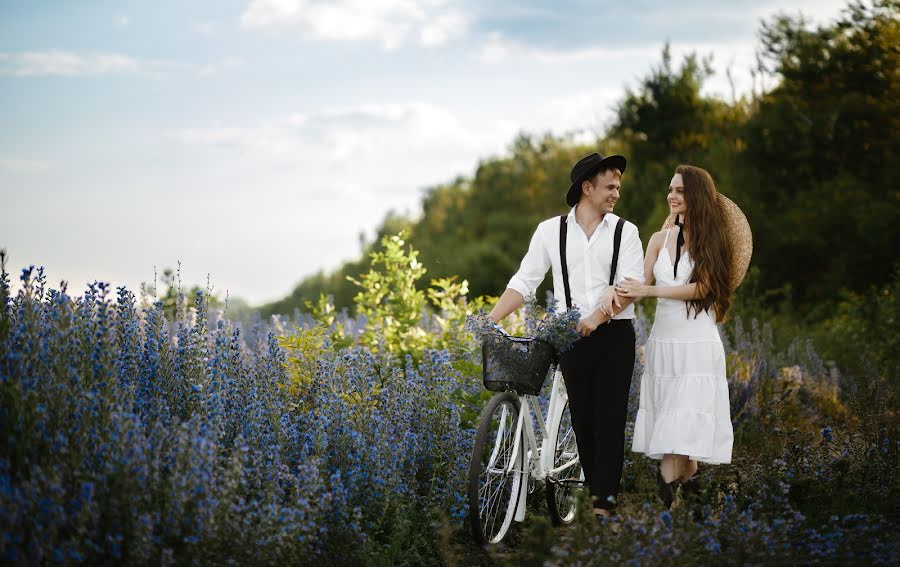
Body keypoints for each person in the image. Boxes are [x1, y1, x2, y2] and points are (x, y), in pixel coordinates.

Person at [488, 152, 644, 518]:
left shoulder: (626, 232)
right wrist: (490, 318)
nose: (616, 193)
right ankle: (594, 495)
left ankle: (604, 507)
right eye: (609, 186)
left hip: (615, 335)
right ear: (586, 188)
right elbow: (525, 282)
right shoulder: (550, 231)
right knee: (583, 421)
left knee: (609, 421)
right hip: (570, 337)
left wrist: (596, 316)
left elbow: (631, 286)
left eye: (618, 187)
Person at [617, 164, 740, 508]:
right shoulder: (658, 239)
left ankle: (663, 520)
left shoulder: (714, 241)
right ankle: (699, 513)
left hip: (697, 346)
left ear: (696, 196)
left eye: (680, 191)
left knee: (676, 433)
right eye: (670, 190)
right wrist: (610, 296)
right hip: (663, 344)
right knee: (678, 432)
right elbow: (639, 285)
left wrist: (652, 292)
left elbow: (704, 288)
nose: (672, 196)